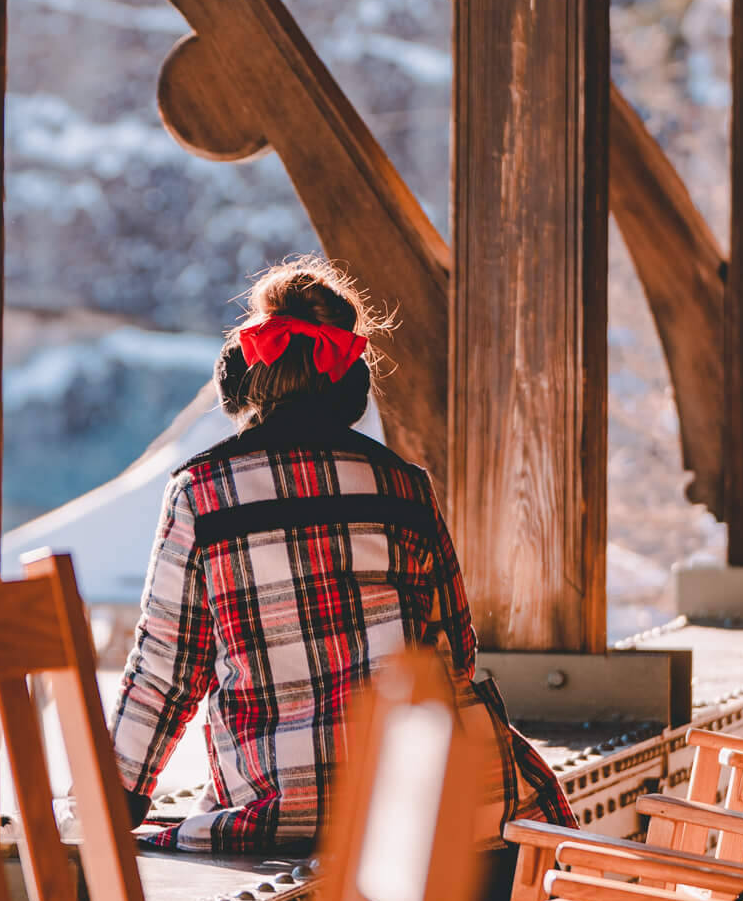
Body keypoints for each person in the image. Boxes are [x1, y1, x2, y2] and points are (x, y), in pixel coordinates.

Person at [111, 255, 574, 858]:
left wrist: (117, 800)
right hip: (444, 806)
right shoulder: (404, 486)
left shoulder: (202, 493)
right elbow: (457, 646)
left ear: (242, 374)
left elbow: (165, 673)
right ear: (350, 384)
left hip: (288, 811)